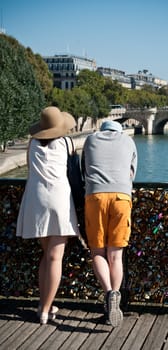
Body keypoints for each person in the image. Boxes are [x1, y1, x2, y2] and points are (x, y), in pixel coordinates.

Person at [16, 106, 80, 325]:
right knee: (55, 257)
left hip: (35, 199)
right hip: (59, 199)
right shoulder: (68, 143)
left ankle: (44, 304)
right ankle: (44, 310)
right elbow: (74, 172)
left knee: (47, 256)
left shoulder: (31, 144)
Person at [81, 120, 137, 327]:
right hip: (122, 197)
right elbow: (132, 173)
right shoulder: (128, 141)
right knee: (116, 255)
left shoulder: (90, 139)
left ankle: (109, 294)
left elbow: (83, 170)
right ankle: (116, 300)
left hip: (95, 197)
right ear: (119, 131)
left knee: (97, 252)